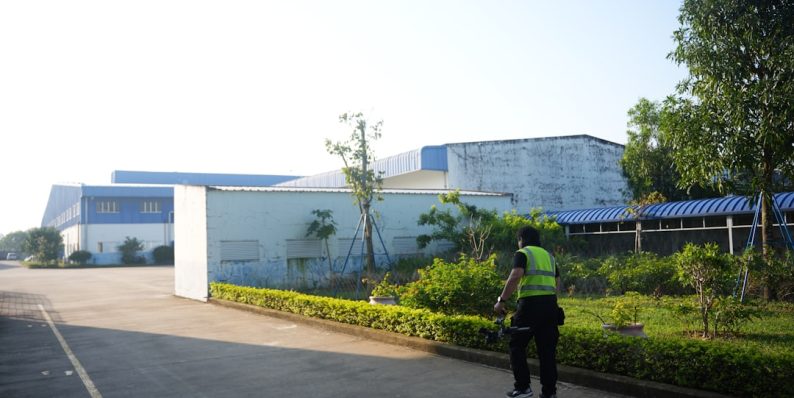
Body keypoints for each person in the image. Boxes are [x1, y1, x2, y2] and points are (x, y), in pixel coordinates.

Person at [494, 226, 560, 398]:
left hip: (530, 306)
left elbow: (516, 275)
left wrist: (501, 301)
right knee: (547, 351)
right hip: (550, 306)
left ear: (521, 239)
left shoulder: (523, 253)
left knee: (516, 345)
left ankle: (523, 388)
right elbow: (557, 282)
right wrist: (551, 301)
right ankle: (549, 393)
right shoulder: (549, 257)